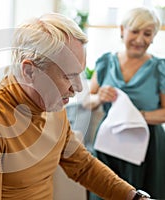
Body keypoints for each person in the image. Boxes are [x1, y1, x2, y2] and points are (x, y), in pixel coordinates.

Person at [0, 13, 150, 200]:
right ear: (29, 71)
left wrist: (135, 197)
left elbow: (83, 167)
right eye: (68, 76)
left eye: (79, 74)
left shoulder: (53, 108)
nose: (78, 88)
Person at [83, 7, 165, 199]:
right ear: (122, 30)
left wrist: (137, 117)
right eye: (135, 31)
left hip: (148, 145)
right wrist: (99, 97)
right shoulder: (106, 63)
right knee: (104, 191)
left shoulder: (159, 68)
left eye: (147, 34)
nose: (140, 39)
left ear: (153, 37)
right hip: (109, 143)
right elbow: (87, 102)